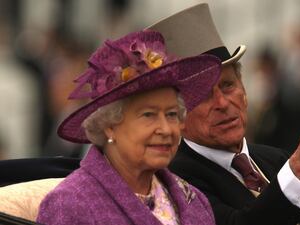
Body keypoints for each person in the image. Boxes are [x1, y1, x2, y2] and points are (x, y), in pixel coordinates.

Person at [147, 3, 300, 225]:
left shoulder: (276, 160)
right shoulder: (170, 181)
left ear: (244, 91)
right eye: (204, 95)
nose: (222, 103)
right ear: (175, 115)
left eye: (228, 85)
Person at [36, 30, 222, 225]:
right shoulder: (69, 205)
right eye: (149, 115)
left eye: (172, 115)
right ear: (109, 125)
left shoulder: (194, 199)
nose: (166, 129)